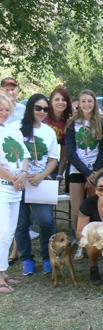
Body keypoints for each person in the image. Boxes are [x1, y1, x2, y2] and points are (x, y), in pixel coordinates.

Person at [12, 94, 60, 276]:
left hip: (40, 183)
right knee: (21, 224)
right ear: (30, 108)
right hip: (18, 183)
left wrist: (41, 176)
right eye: (38, 108)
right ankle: (27, 259)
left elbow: (54, 159)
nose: (42, 112)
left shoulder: (48, 131)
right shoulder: (14, 128)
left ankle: (48, 257)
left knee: (46, 221)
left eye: (45, 109)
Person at [65, 89, 103, 256]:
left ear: (94, 103)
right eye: (83, 101)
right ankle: (80, 243)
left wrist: (94, 171)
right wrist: (85, 172)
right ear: (79, 103)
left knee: (94, 209)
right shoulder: (71, 124)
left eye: (89, 101)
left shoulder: (102, 123)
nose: (86, 104)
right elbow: (70, 152)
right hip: (77, 171)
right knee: (77, 210)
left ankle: (96, 242)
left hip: (95, 171)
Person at [0, 92, 30, 294]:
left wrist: (24, 174)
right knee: (1, 233)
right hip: (2, 187)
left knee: (10, 233)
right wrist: (13, 178)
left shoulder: (13, 130)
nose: (3, 113)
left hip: (15, 189)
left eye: (6, 110)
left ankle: (3, 271)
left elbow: (25, 155)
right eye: (0, 109)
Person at [44, 87, 72, 179]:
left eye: (63, 99)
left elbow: (64, 153)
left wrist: (59, 175)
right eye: (57, 99)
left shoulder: (67, 123)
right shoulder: (43, 117)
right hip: (34, 166)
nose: (60, 102)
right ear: (50, 102)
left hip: (52, 168)